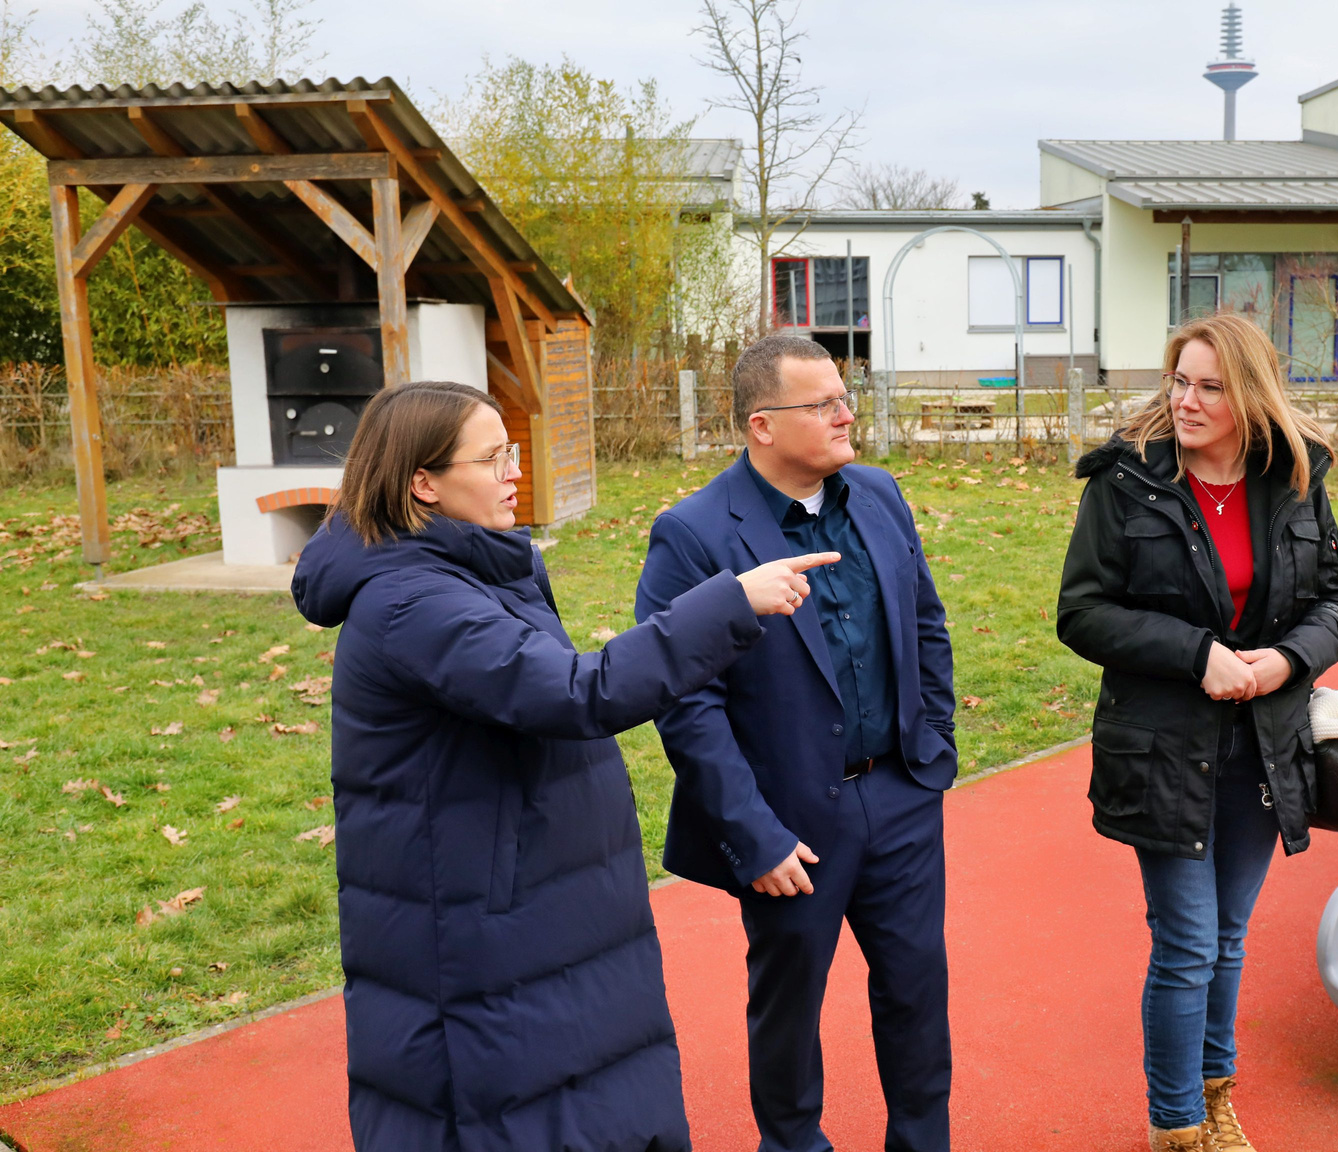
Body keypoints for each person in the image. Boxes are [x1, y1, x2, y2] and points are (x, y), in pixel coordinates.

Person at [291, 380, 835, 1152]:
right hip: (487, 921)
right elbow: (578, 693)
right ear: (423, 481)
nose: (516, 471)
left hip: (539, 902)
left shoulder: (468, 570)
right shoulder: (415, 602)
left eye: (511, 451)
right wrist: (730, 604)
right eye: (491, 458)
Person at [637, 335, 957, 1152]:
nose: (846, 414)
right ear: (762, 426)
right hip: (789, 827)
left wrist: (933, 753)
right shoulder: (694, 534)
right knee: (789, 1011)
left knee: (919, 995)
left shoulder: (880, 496)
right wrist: (753, 834)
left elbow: (925, 623)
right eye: (821, 404)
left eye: (844, 395)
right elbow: (686, 705)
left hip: (901, 795)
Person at [1056, 315, 1338, 1152]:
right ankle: (1177, 1125)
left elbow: (1337, 603)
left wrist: (1284, 663)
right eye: (1179, 381)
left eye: (1209, 387)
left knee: (1228, 936)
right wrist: (1199, 655)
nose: (1185, 401)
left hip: (1264, 745)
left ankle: (1216, 1094)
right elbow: (1080, 614)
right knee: (1188, 941)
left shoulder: (1295, 479)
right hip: (1161, 749)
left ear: (1249, 396)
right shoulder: (1125, 482)